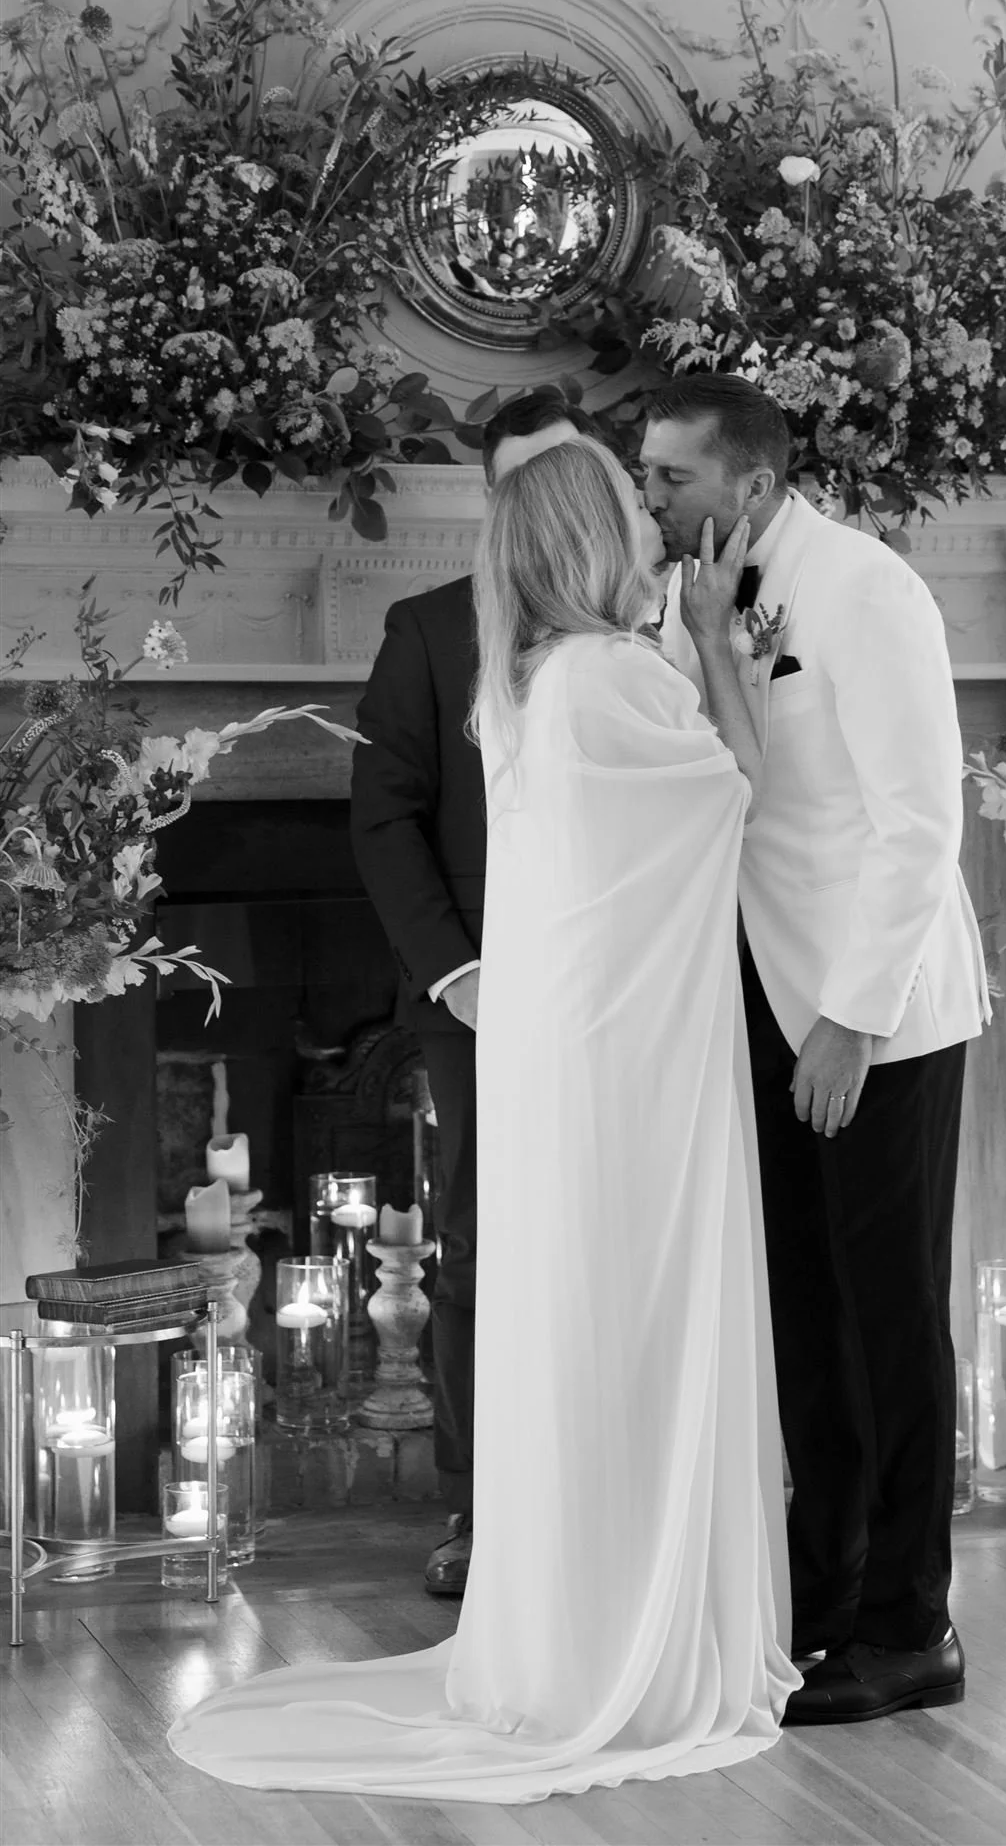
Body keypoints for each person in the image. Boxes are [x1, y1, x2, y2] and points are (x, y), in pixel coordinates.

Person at [170, 439, 800, 1800]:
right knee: (634, 1320)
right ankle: (631, 1636)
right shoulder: (616, 676)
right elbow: (743, 795)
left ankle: (568, 1619)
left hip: (557, 1053)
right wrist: (712, 641)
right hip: (630, 1066)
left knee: (571, 1321)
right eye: (633, 510)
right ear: (590, 537)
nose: (653, 526)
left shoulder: (523, 683)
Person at [645, 373, 990, 1726]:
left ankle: (913, 1625)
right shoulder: (691, 597)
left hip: (875, 1007)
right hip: (760, 991)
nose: (648, 498)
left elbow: (918, 820)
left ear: (747, 480)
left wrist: (850, 1016)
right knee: (806, 1315)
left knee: (889, 1317)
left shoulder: (863, 588)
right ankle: (824, 1591)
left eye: (668, 476)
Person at [349, 388, 606, 1598]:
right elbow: (382, 816)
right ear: (494, 500)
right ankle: (480, 1503)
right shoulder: (427, 629)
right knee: (482, 1245)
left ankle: (609, 1496)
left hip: (623, 996)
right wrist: (458, 974)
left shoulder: (643, 628)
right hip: (481, 1002)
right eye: (521, 486)